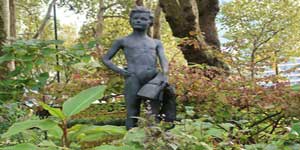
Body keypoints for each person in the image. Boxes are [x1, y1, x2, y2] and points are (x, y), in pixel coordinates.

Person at [102, 6, 175, 130]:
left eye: (143, 19)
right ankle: (130, 141)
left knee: (153, 113)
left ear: (150, 22)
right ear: (130, 20)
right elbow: (106, 59)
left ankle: (153, 141)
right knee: (132, 112)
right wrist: (121, 71)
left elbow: (163, 59)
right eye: (135, 18)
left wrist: (165, 74)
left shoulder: (156, 43)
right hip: (133, 78)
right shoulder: (123, 41)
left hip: (153, 80)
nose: (138, 21)